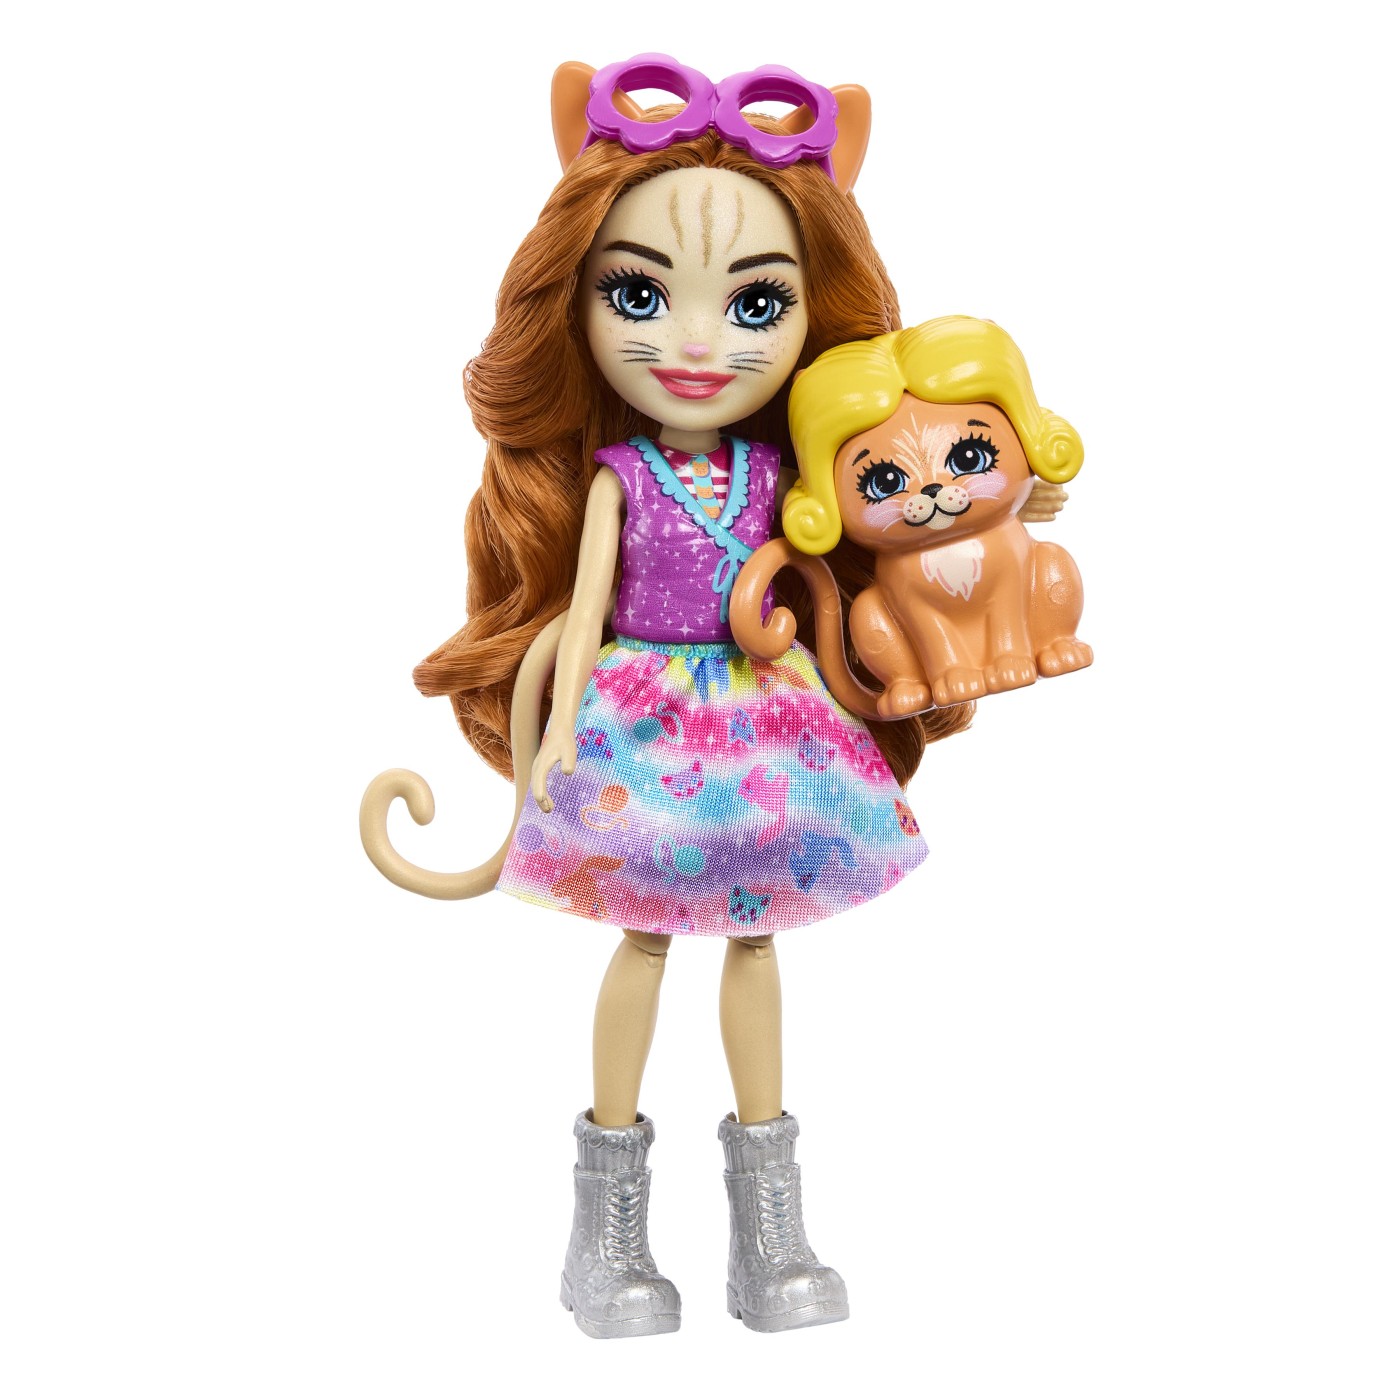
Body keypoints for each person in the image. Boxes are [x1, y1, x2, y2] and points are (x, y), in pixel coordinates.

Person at [360, 55, 970, 1338]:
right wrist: (549, 747)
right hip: (641, 725)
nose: (696, 343)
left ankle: (770, 1228)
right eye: (638, 294)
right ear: (576, 303)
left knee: (753, 940)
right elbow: (583, 611)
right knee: (640, 939)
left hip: (768, 721)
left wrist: (993, 500)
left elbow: (882, 527)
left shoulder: (783, 474)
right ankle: (607, 1233)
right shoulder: (618, 477)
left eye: (754, 304)